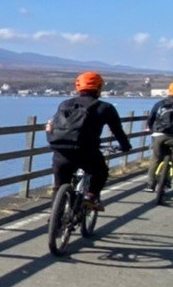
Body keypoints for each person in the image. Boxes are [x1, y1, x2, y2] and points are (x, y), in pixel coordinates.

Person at [44, 71, 132, 212]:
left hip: (60, 150)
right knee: (101, 172)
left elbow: (54, 124)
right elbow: (118, 131)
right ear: (99, 88)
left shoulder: (65, 104)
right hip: (86, 151)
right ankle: (91, 197)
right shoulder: (105, 108)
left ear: (78, 87)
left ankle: (55, 220)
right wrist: (125, 146)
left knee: (59, 186)